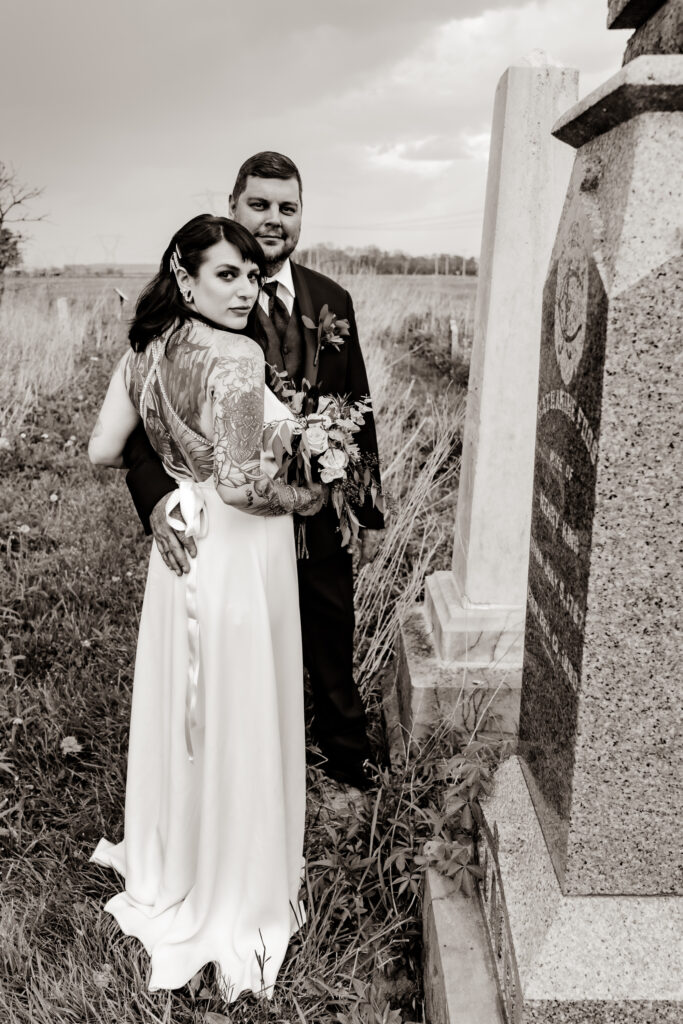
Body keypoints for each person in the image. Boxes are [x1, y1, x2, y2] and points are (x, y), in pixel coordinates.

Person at [88, 215, 325, 999]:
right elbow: (242, 484)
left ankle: (176, 853)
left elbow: (101, 449)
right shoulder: (238, 354)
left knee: (190, 711)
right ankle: (232, 876)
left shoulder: (143, 352)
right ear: (185, 279)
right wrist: (312, 492)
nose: (244, 290)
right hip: (234, 551)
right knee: (235, 702)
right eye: (226, 275)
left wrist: (167, 493)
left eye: (252, 277)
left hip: (179, 545)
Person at [123, 153, 385, 790]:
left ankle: (344, 753)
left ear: (301, 217)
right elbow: (139, 422)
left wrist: (361, 500)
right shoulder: (185, 310)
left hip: (314, 499)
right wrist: (156, 497)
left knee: (329, 620)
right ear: (234, 208)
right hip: (229, 512)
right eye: (259, 205)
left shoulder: (332, 299)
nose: (273, 220)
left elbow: (356, 401)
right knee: (238, 637)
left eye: (287, 208)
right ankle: (243, 764)